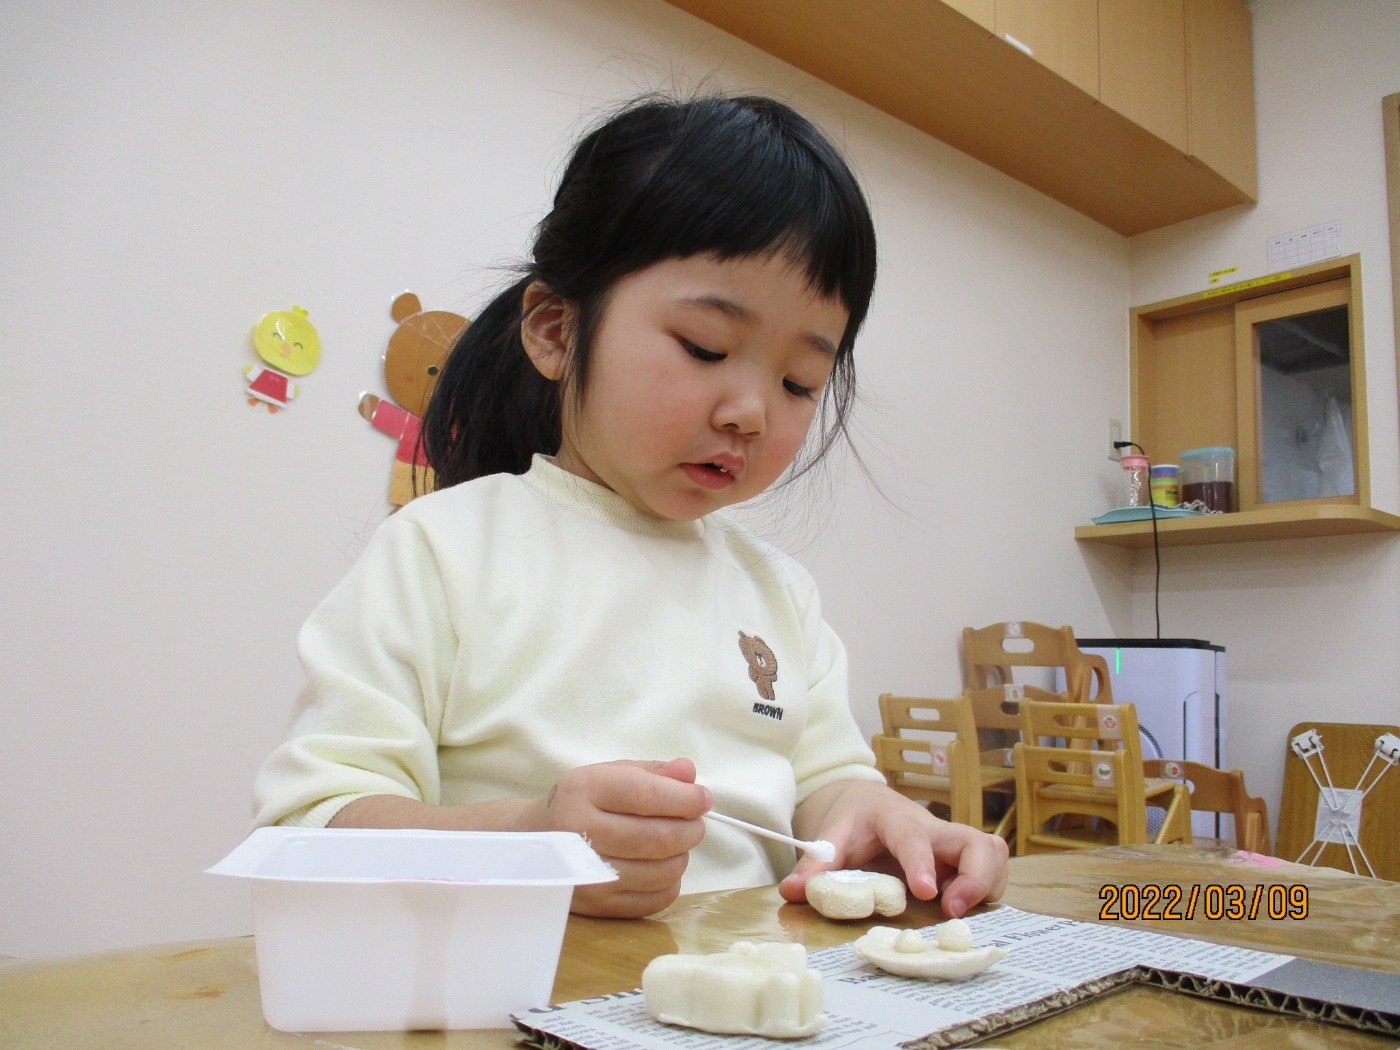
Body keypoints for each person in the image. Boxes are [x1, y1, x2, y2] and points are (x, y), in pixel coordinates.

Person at [254, 93, 1008, 920]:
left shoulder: (780, 596)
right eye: (705, 348)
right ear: (556, 330)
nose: (751, 413)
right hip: (525, 986)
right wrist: (532, 841)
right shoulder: (443, 552)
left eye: (799, 383)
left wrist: (883, 820)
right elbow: (311, 825)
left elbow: (828, 787)